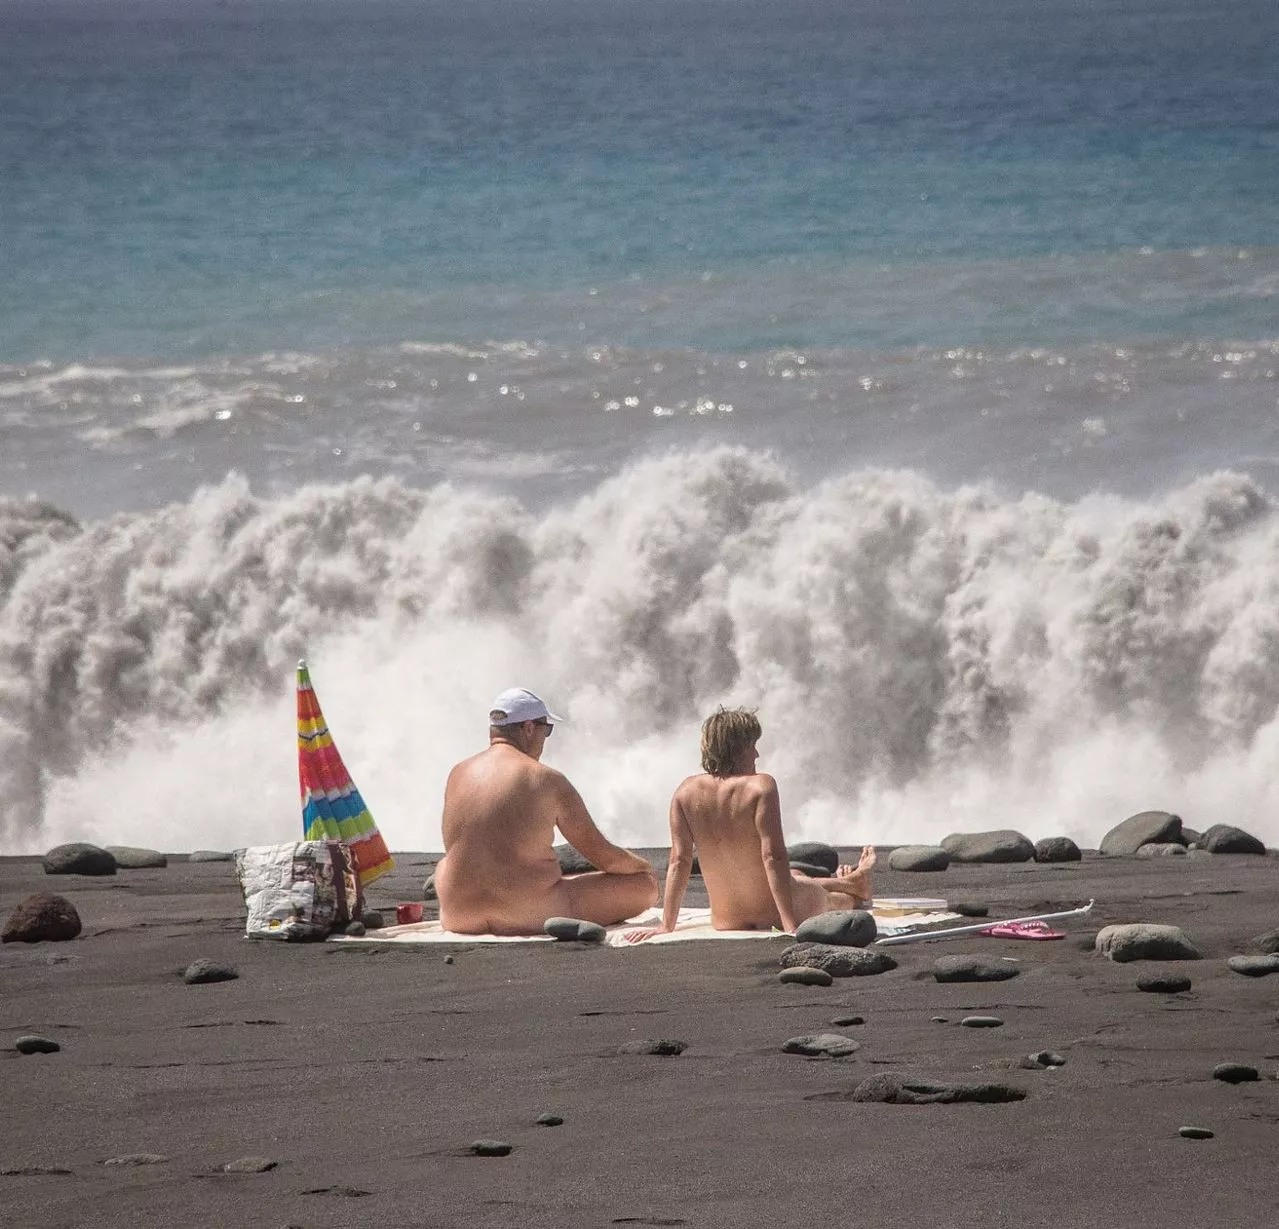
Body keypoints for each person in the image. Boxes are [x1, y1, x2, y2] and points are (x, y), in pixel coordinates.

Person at [629, 707, 875, 939]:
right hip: (776, 915)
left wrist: (666, 925)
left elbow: (679, 861)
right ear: (736, 748)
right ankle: (856, 891)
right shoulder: (761, 786)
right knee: (830, 899)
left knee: (795, 874)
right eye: (752, 746)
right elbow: (773, 858)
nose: (757, 754)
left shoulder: (684, 792)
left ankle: (850, 881)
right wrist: (789, 925)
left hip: (726, 921)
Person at [433, 687, 659, 935]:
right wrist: (642, 866)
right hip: (528, 913)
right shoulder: (545, 779)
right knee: (644, 886)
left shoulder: (458, 773)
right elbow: (602, 856)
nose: (545, 738)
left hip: (458, 914)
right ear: (529, 728)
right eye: (546, 729)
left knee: (450, 864)